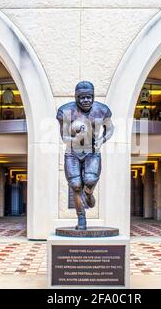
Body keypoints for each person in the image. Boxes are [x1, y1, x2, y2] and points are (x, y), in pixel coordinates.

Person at [56, 81, 114, 230]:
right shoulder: (66, 111)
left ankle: (88, 192)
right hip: (73, 151)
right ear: (76, 97)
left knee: (90, 179)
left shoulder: (102, 110)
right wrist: (75, 139)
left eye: (89, 97)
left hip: (92, 150)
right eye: (82, 97)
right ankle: (81, 218)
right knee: (75, 185)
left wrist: (102, 139)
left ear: (93, 96)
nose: (86, 100)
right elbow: (64, 137)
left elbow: (110, 129)